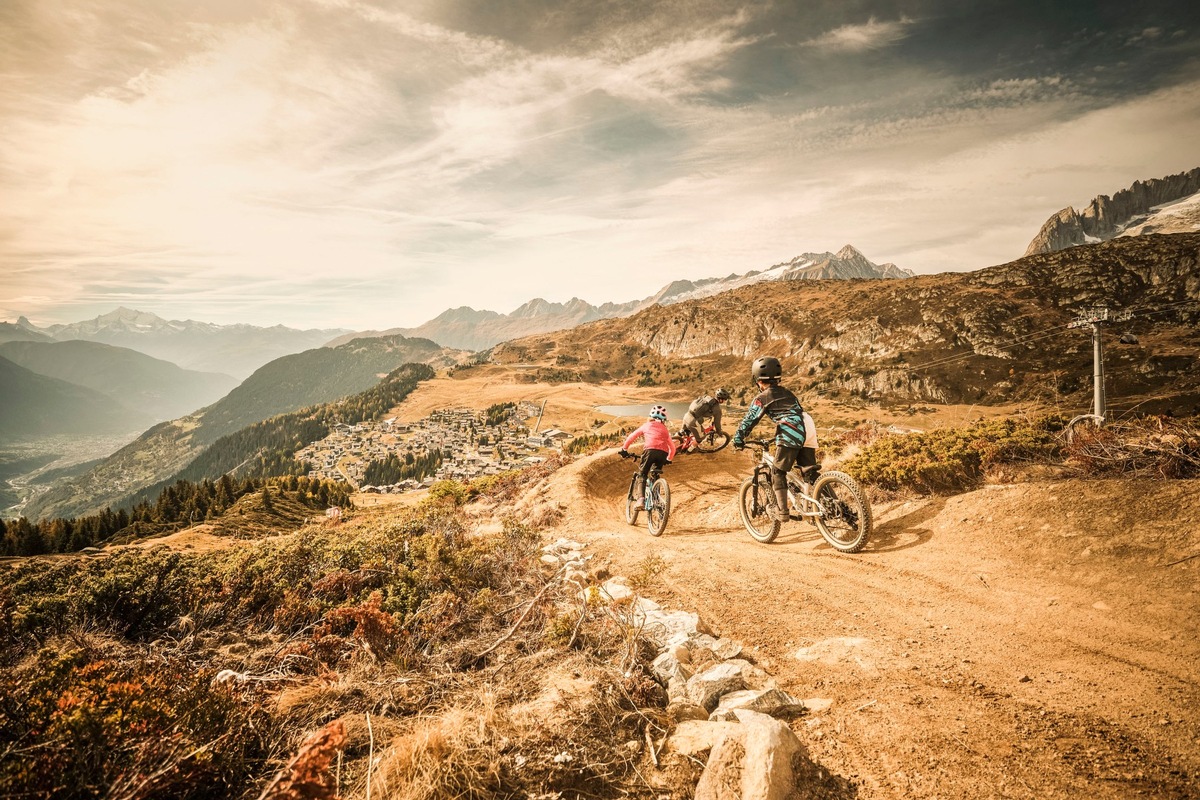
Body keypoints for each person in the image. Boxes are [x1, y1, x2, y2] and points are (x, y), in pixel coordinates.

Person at [732, 357, 809, 522]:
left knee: (777, 472)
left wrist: (738, 438)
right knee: (810, 472)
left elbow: (749, 420)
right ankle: (825, 504)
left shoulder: (762, 398)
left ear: (758, 381)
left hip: (788, 435)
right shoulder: (788, 392)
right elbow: (794, 414)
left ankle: (783, 512)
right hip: (805, 432)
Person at [619, 404, 677, 499]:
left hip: (649, 451)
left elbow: (632, 437)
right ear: (664, 420)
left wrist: (624, 449)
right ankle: (656, 499)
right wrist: (669, 459)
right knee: (655, 473)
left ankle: (641, 500)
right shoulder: (665, 430)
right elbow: (672, 447)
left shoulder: (646, 425)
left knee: (642, 475)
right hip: (663, 454)